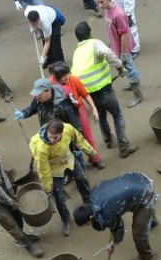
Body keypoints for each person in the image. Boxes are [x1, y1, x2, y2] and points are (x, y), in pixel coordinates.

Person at [71, 22, 137, 157]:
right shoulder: (94, 43)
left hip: (88, 94)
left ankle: (107, 140)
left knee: (101, 115)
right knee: (117, 115)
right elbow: (109, 54)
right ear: (90, 33)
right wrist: (120, 68)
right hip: (104, 89)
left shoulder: (77, 52)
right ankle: (124, 147)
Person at [0, 141, 43, 257]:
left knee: (18, 217)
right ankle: (26, 244)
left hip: (3, 192)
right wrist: (12, 203)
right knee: (11, 224)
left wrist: (13, 188)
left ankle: (23, 235)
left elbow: (3, 174)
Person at [73, 172, 158, 260]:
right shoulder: (93, 194)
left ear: (90, 219)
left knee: (138, 231)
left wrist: (113, 243)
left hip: (146, 191)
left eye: (85, 224)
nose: (86, 226)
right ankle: (149, 219)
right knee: (133, 206)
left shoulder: (107, 212)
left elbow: (118, 227)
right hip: (136, 178)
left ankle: (146, 255)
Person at [29, 119, 97, 236]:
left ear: (61, 132)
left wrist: (91, 152)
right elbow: (43, 170)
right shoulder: (42, 147)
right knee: (59, 197)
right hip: (54, 168)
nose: (51, 140)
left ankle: (88, 203)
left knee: (82, 179)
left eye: (55, 137)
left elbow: (79, 140)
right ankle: (66, 220)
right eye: (50, 137)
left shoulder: (68, 129)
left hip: (68, 159)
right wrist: (47, 188)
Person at [49, 61, 104, 168]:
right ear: (56, 77)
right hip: (63, 116)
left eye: (67, 74)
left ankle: (95, 159)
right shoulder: (50, 84)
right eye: (62, 76)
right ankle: (73, 166)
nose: (66, 78)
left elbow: (85, 94)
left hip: (79, 111)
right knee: (66, 142)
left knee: (87, 137)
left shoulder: (73, 79)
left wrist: (94, 108)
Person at [96, 0, 142, 108]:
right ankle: (134, 85)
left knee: (129, 68)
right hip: (116, 44)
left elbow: (124, 34)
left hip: (123, 48)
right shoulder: (108, 9)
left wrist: (124, 53)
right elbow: (111, 28)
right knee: (129, 67)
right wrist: (111, 41)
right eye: (97, 2)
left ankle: (138, 95)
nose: (99, 5)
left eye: (101, 2)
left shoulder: (118, 14)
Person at [14, 78, 83, 133]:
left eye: (39, 94)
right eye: (36, 94)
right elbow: (33, 108)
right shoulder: (39, 98)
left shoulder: (63, 105)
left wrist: (76, 146)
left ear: (48, 91)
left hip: (59, 137)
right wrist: (24, 113)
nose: (36, 97)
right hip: (47, 132)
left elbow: (75, 125)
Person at [24, 4, 65, 69]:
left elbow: (47, 41)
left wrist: (42, 57)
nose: (35, 25)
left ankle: (60, 65)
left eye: (36, 23)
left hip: (54, 21)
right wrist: (32, 27)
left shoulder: (45, 23)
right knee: (44, 43)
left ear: (38, 19)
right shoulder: (27, 12)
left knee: (55, 45)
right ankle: (50, 60)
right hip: (44, 16)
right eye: (32, 23)